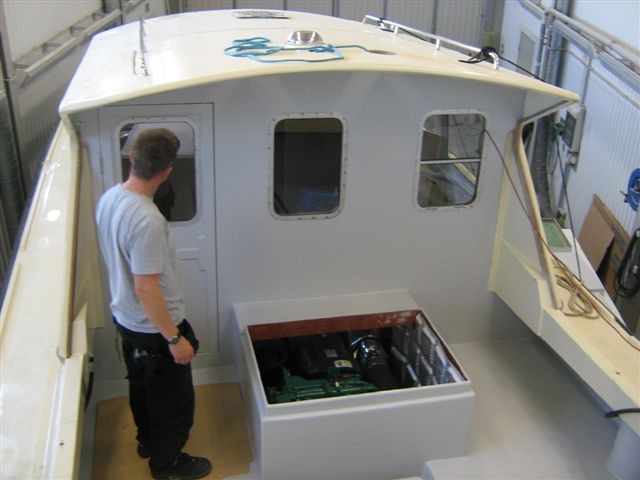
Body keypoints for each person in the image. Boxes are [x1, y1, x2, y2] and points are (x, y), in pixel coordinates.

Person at [96, 128, 212, 480]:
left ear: (131, 157)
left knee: (142, 388)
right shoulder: (147, 220)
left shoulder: (110, 198)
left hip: (127, 319)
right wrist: (174, 339)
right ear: (167, 171)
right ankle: (167, 464)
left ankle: (147, 441)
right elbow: (146, 289)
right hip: (154, 330)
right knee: (173, 403)